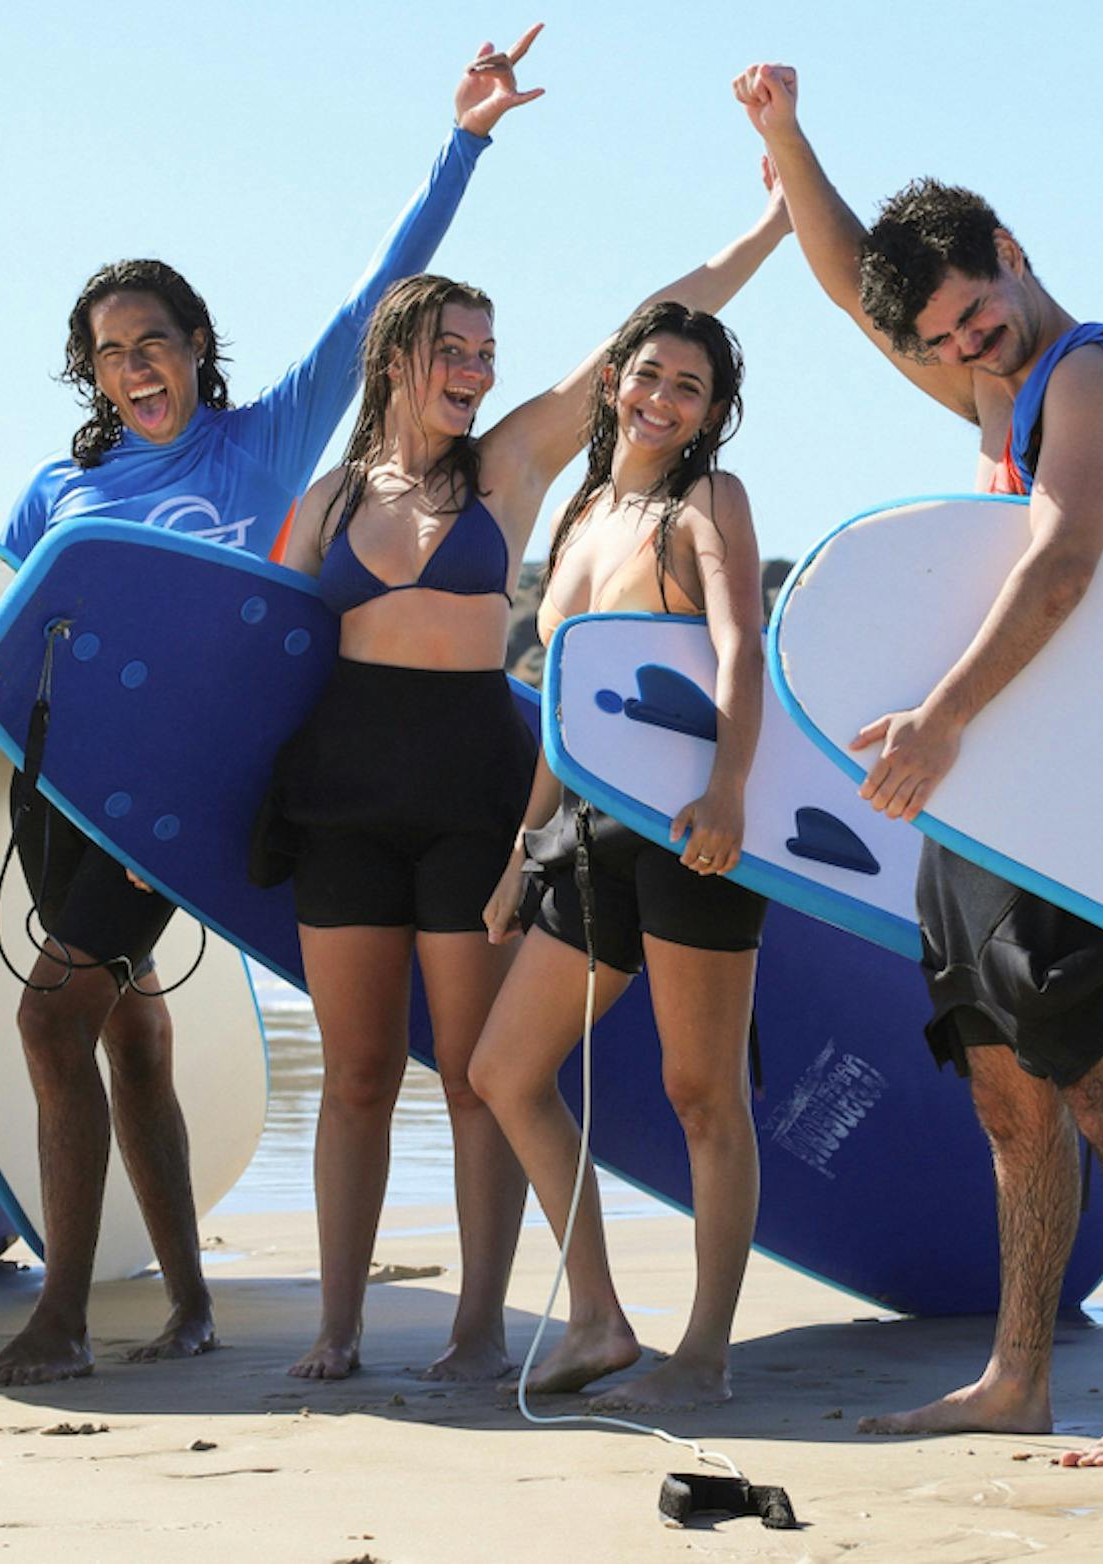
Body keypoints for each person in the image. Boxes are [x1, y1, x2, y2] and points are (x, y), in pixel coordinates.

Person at [0, 30, 546, 1392]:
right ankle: (187, 1305)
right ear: (91, 374)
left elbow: (379, 295)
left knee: (51, 1019)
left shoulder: (269, 439)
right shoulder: (59, 492)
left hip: (204, 790)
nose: (134, 368)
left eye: (153, 343)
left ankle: (60, 1317)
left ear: (195, 349)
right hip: (79, 790)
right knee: (129, 1026)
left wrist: (464, 140)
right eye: (109, 354)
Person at [736, 62, 1103, 1466]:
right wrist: (787, 139)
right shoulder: (997, 389)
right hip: (985, 791)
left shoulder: (1089, 373)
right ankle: (1017, 1376)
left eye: (972, 315)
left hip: (1071, 784)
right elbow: (855, 294)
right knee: (1005, 1090)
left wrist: (937, 719)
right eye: (942, 340)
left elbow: (1064, 563)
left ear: (1009, 252)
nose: (964, 349)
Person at [265, 159, 789, 1382]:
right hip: (348, 794)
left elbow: (645, 336)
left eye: (487, 353)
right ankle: (338, 1328)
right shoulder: (328, 500)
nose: (476, 369)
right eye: (452, 349)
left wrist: (767, 226)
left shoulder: (506, 471)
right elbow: (262, 650)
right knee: (355, 1075)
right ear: (394, 356)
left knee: (476, 1075)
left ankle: (478, 1327)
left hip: (474, 788)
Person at [466, 300, 768, 1409]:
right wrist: (521, 851)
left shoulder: (709, 500)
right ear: (614, 382)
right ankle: (595, 1317)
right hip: (587, 832)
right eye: (648, 375)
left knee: (701, 1092)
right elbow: (565, 703)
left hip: (690, 829)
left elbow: (742, 648)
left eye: (689, 387)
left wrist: (727, 787)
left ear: (711, 412)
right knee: (504, 1070)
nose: (661, 399)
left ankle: (705, 1356)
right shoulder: (583, 509)